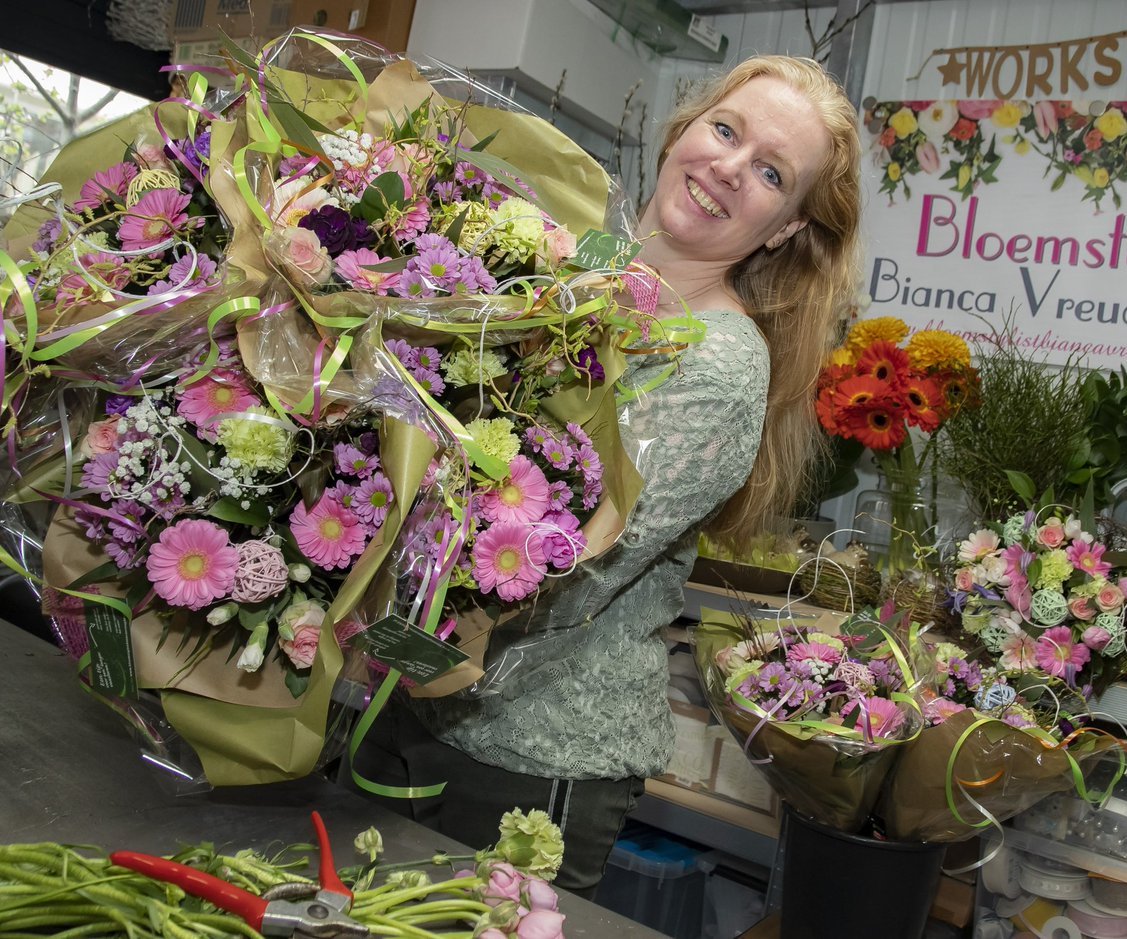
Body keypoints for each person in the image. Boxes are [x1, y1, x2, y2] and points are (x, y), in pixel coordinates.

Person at [349, 54, 863, 897]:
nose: (729, 168)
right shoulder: (574, 268)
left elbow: (566, 556)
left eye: (770, 173)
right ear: (682, 132)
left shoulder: (720, 363)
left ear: (784, 228)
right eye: (725, 130)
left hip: (533, 755)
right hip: (406, 694)